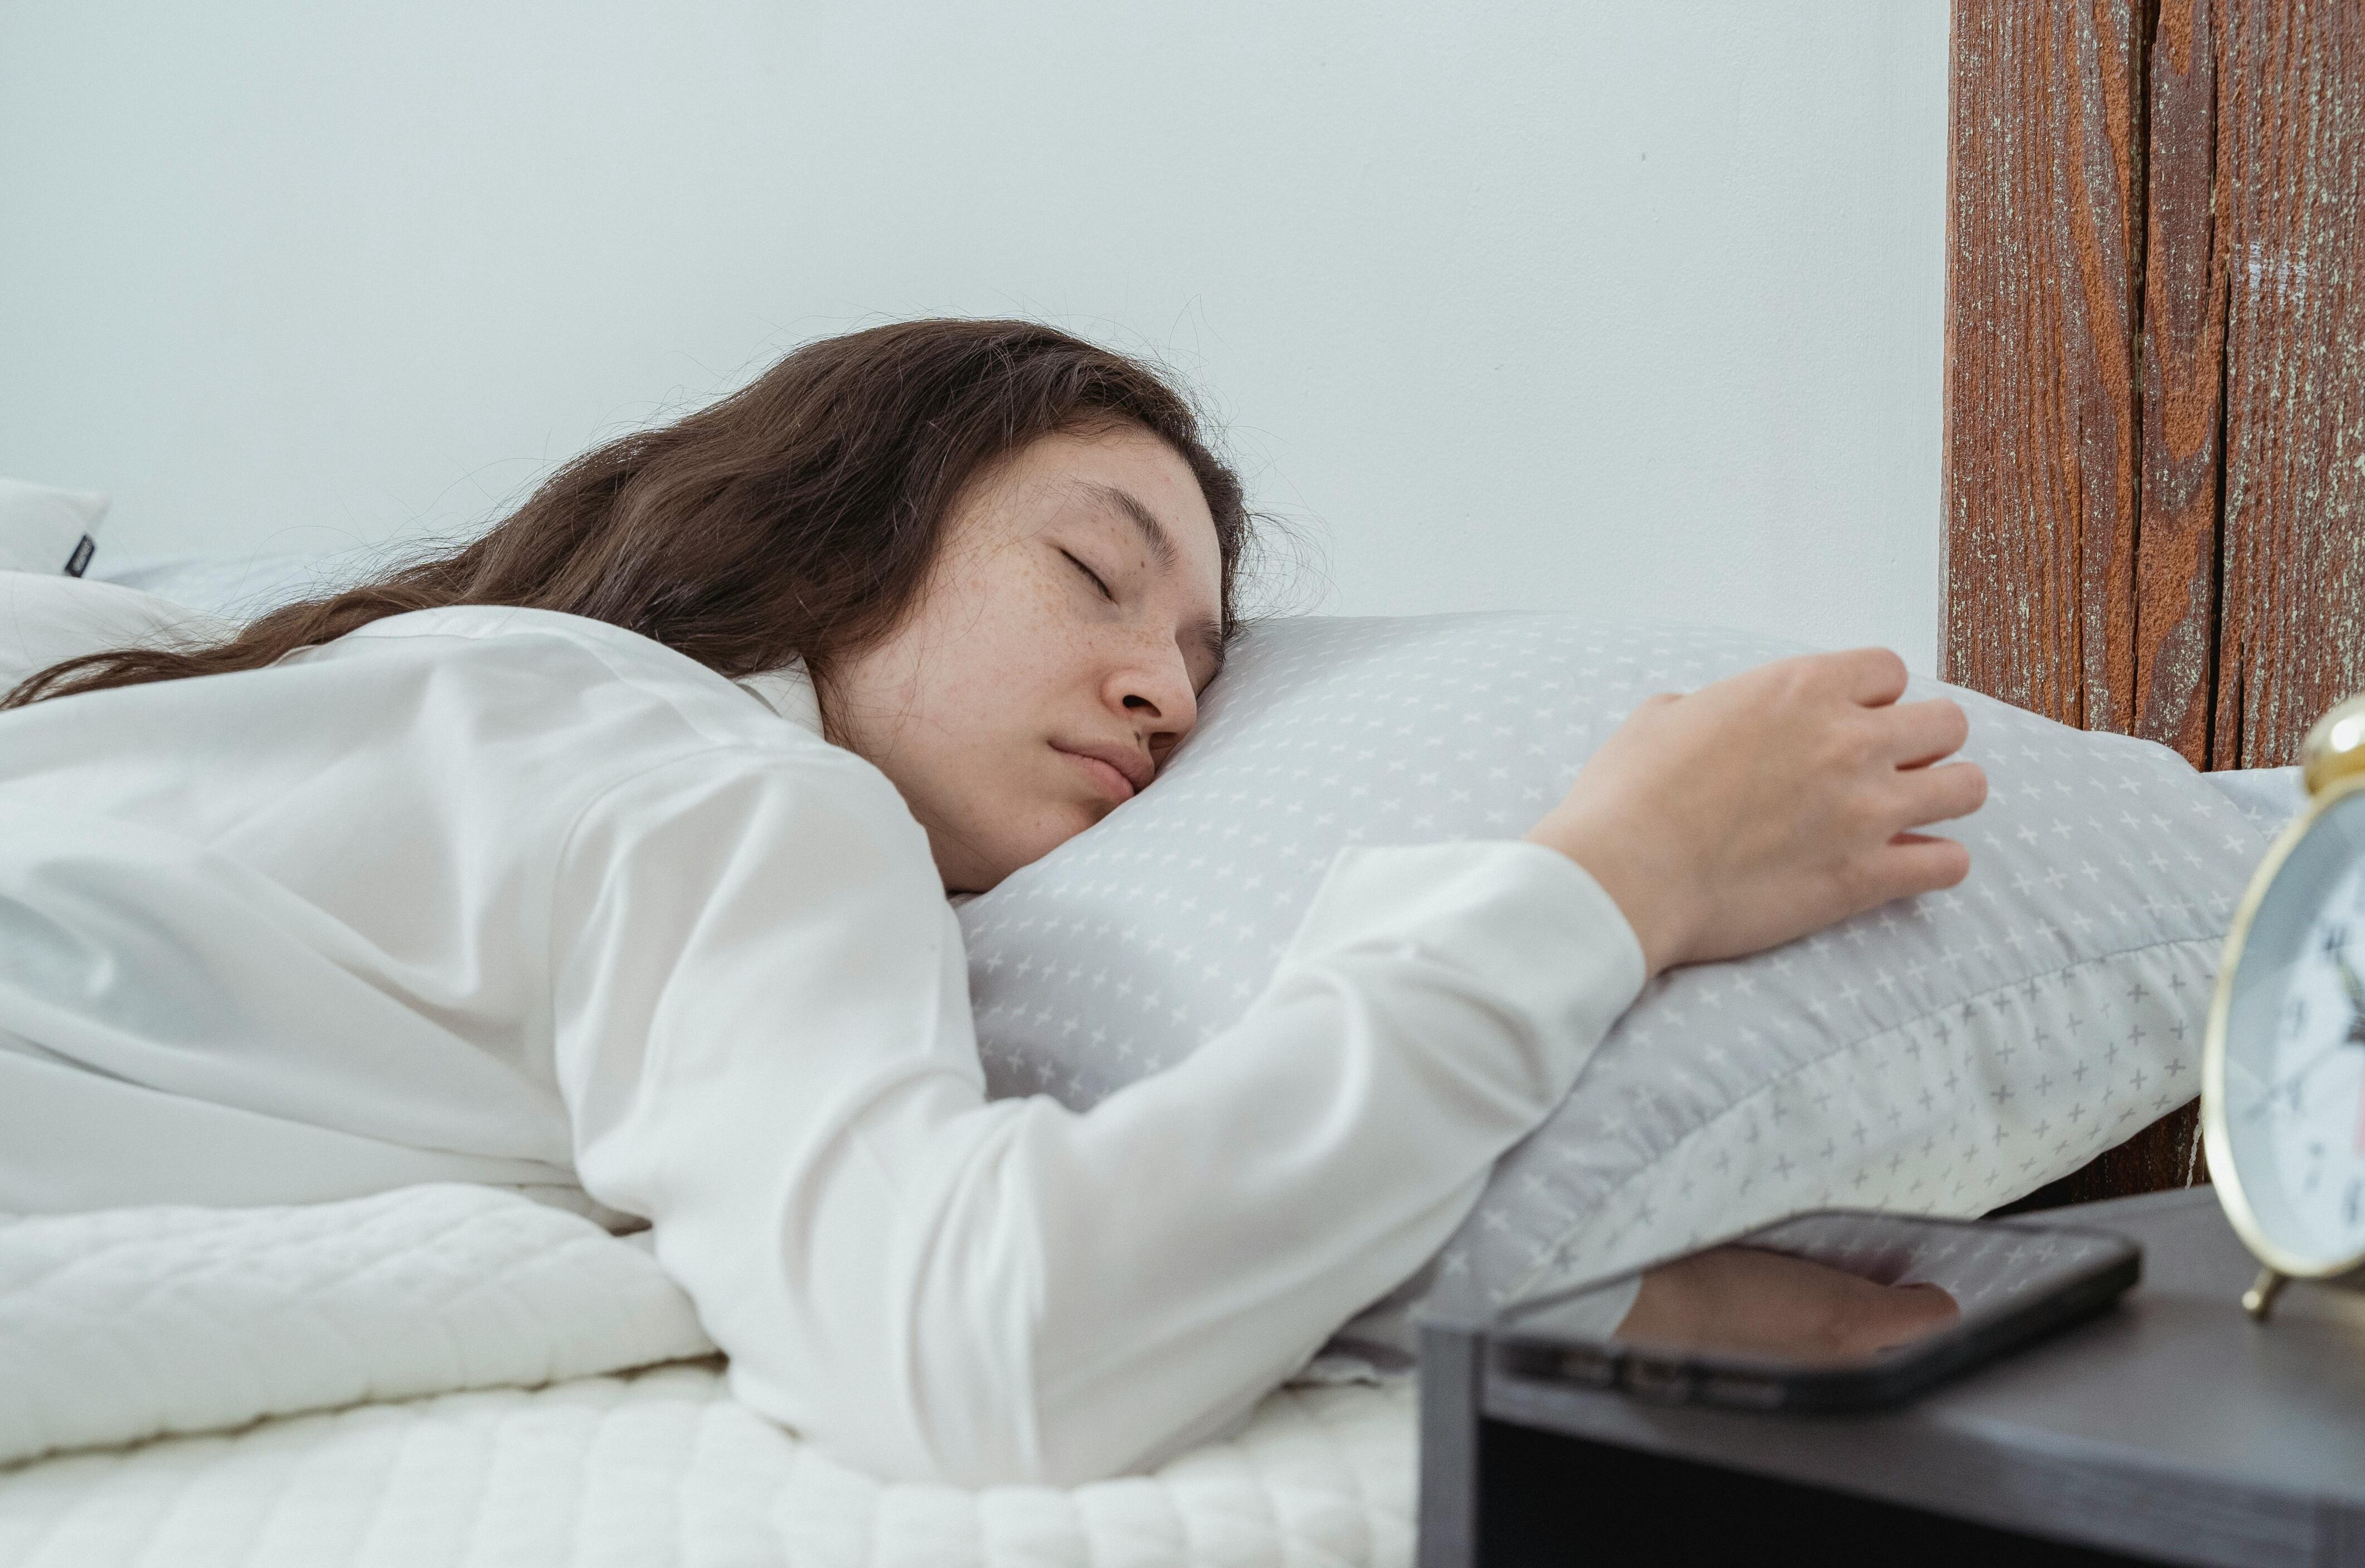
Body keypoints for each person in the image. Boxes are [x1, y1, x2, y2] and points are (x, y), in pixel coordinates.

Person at [0, 319, 1986, 1484]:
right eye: (1095, 576)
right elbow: (979, 1338)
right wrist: (1617, 877)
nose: (1166, 696)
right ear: (840, 522)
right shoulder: (719, 790)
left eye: (1203, 665)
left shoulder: (393, 686)